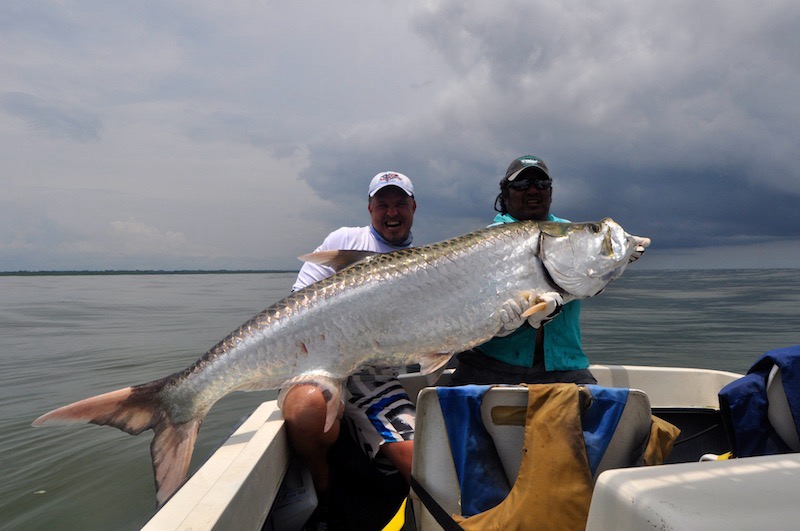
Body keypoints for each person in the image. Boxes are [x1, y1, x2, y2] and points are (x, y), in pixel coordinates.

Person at [282, 171, 417, 530]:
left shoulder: (423, 263)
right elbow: (298, 304)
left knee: (419, 461)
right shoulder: (346, 240)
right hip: (323, 364)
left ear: (413, 207)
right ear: (370, 208)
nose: (392, 212)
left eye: (400, 203)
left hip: (375, 377)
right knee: (309, 408)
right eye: (383, 204)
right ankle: (324, 482)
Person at [448, 155, 599, 386]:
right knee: (443, 411)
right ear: (505, 195)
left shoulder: (569, 232)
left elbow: (594, 278)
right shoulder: (486, 243)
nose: (533, 191)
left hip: (563, 364)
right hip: (491, 361)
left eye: (541, 185)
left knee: (601, 415)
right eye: (521, 185)